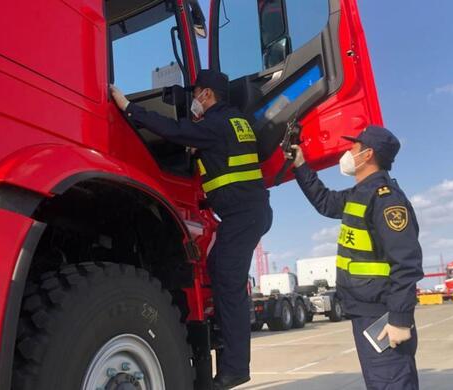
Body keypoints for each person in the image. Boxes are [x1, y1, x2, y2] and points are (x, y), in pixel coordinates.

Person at [110, 70, 272, 390]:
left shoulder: (213, 124)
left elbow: (172, 129)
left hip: (242, 216)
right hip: (248, 213)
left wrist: (128, 107)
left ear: (207, 95)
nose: (195, 101)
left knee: (227, 281)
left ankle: (235, 367)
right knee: (221, 274)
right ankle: (230, 353)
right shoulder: (238, 122)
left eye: (196, 94)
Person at [289, 125, 424, 390]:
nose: (349, 151)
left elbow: (407, 263)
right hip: (365, 310)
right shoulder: (360, 194)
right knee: (382, 383)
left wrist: (399, 318)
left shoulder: (387, 199)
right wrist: (301, 166)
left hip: (381, 314)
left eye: (354, 147)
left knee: (391, 383)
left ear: (367, 155)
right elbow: (325, 202)